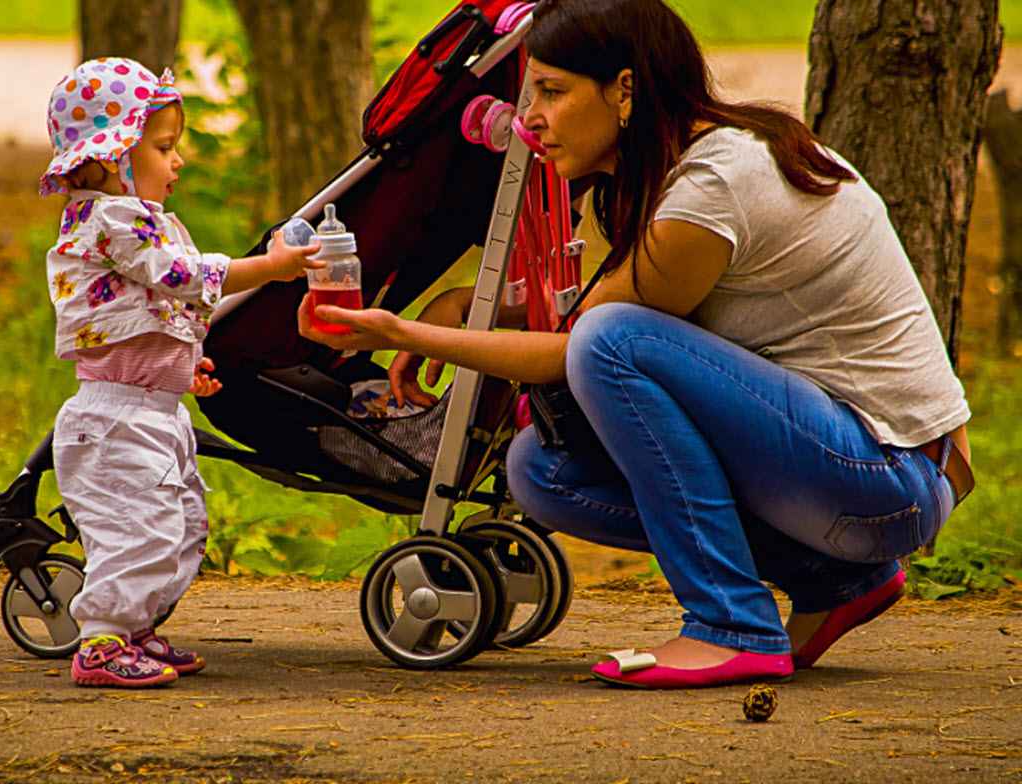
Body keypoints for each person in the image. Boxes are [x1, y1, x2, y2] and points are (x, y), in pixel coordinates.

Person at [297, 0, 974, 689]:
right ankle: (835, 579)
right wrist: (471, 307)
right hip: (852, 471)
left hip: (889, 476)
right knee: (540, 472)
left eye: (553, 92)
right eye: (531, 92)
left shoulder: (714, 187)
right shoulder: (684, 165)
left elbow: (587, 343)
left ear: (624, 89)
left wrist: (399, 330)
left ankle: (731, 624)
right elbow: (605, 304)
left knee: (609, 344)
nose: (530, 117)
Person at [41, 57, 321, 688]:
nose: (178, 161)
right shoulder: (112, 219)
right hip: (114, 419)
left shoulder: (135, 223)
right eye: (164, 147)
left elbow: (151, 311)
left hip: (152, 411)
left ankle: (135, 628)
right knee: (137, 528)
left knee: (179, 523)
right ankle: (100, 640)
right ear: (110, 158)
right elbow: (182, 278)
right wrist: (266, 269)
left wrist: (183, 367)